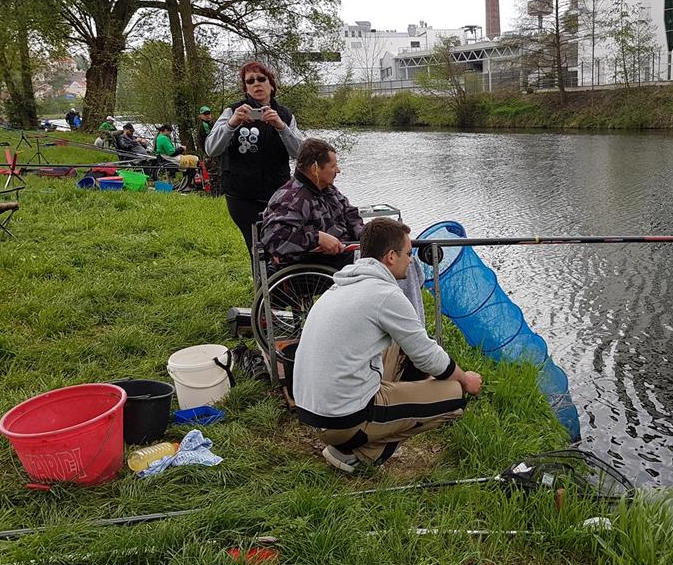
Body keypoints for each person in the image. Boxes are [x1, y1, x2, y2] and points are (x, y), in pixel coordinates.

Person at [293, 217, 483, 473]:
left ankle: (368, 428)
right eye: (408, 253)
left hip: (313, 412)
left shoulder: (341, 285)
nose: (412, 259)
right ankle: (359, 454)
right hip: (343, 419)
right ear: (391, 256)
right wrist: (465, 379)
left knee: (404, 346)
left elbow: (416, 347)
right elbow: (427, 356)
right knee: (454, 395)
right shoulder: (386, 294)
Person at [205, 62, 303, 255]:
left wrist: (281, 127)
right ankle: (262, 285)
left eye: (261, 79)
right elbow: (211, 149)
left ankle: (280, 284)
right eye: (250, 81)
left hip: (278, 193)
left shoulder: (285, 115)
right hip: (241, 196)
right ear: (246, 89)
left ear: (271, 85)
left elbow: (300, 153)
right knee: (257, 249)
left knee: (282, 245)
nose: (256, 84)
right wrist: (232, 124)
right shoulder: (233, 112)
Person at [259, 138, 363, 271]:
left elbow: (350, 214)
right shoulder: (292, 198)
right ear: (315, 169)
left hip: (345, 252)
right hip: (316, 265)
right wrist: (317, 237)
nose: (338, 170)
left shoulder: (327, 189)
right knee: (384, 265)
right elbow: (273, 237)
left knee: (389, 253)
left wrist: (366, 236)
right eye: (333, 166)